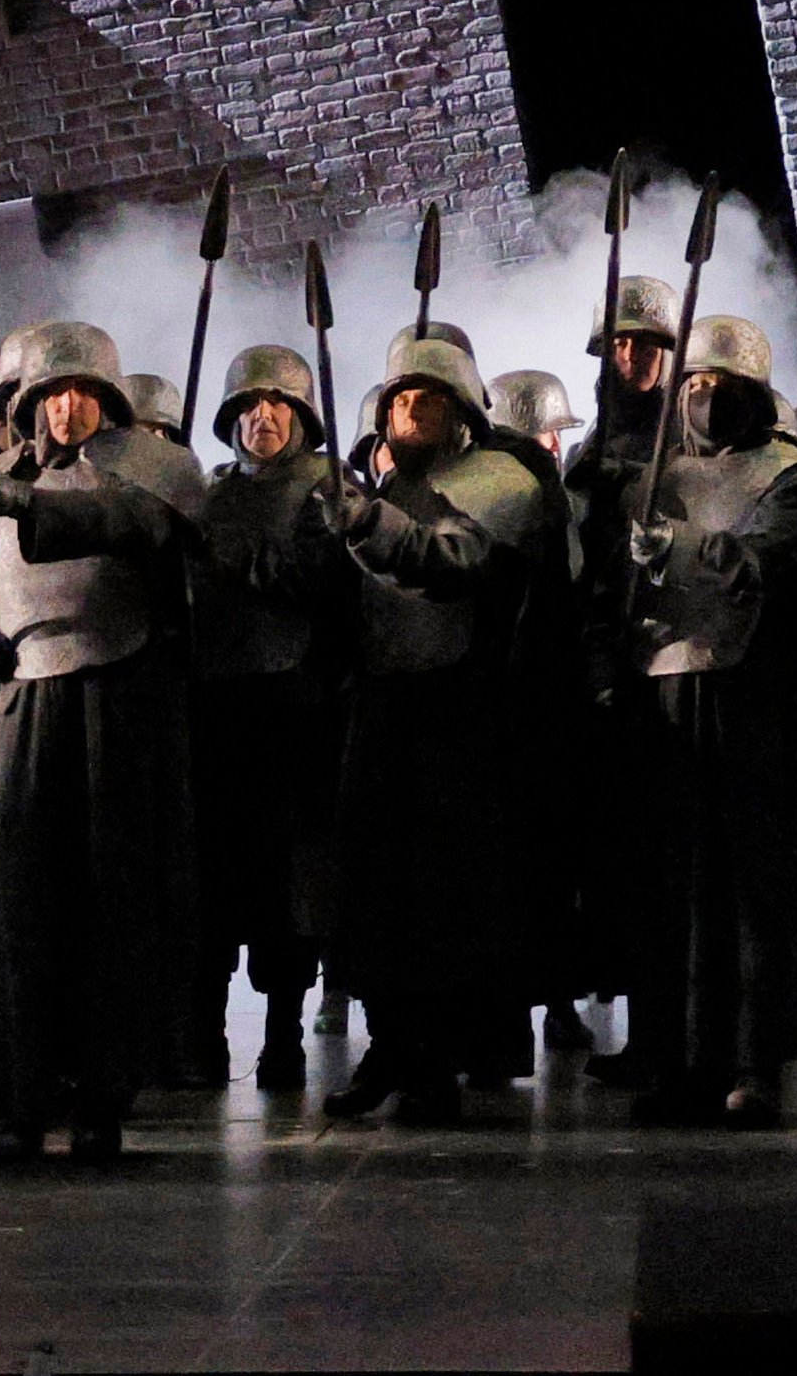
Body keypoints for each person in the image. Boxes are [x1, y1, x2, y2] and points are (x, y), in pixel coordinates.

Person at [0, 316, 203, 1163]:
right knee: (21, 909)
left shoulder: (149, 472)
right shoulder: (1, 480)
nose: (65, 408)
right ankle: (17, 1102)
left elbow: (129, 522)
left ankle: (101, 1098)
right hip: (27, 701)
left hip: (116, 700)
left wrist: (24, 504)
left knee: (110, 905)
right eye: (51, 394)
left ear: (107, 399)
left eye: (80, 391)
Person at [322, 325, 558, 1117]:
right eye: (400, 397)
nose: (412, 408)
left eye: (428, 396)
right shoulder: (384, 488)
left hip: (463, 712)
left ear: (462, 409)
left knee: (446, 898)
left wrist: (366, 525)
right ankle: (389, 1044)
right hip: (385, 704)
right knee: (375, 892)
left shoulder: (498, 480)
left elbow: (448, 561)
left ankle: (440, 1058)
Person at [611, 314, 797, 1129]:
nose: (705, 397)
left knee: (750, 886)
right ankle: (678, 1059)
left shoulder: (790, 476)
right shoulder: (655, 477)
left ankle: (753, 1061)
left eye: (722, 386)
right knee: (672, 885)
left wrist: (677, 546)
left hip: (750, 691)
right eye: (695, 384)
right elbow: (620, 596)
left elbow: (759, 562)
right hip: (667, 688)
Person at [185, 339, 352, 1093]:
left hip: (297, 710)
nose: (263, 415)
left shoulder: (327, 489)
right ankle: (205, 1033)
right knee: (217, 882)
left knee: (292, 892)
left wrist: (236, 557)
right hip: (219, 708)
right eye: (250, 404)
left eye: (278, 402)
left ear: (302, 415)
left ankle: (283, 1037)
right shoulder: (208, 493)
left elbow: (320, 581)